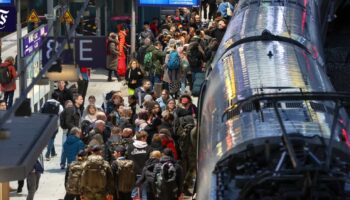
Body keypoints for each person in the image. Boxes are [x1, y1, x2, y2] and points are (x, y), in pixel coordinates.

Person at [43, 92, 64, 161]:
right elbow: (62, 114)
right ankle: (48, 154)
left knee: (50, 137)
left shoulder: (45, 103)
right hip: (54, 124)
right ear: (58, 98)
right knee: (51, 138)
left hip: (46, 122)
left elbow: (41, 111)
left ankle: (53, 152)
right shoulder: (59, 105)